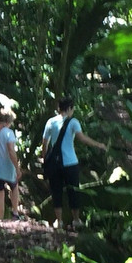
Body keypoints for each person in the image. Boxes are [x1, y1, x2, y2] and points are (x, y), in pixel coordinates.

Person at [40, 96, 107, 230]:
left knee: (56, 191)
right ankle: (76, 220)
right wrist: (99, 145)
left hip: (55, 164)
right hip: (70, 163)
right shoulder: (73, 122)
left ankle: (59, 221)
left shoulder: (50, 122)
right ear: (70, 108)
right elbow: (82, 139)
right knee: (73, 191)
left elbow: (44, 145)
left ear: (59, 108)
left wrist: (46, 159)